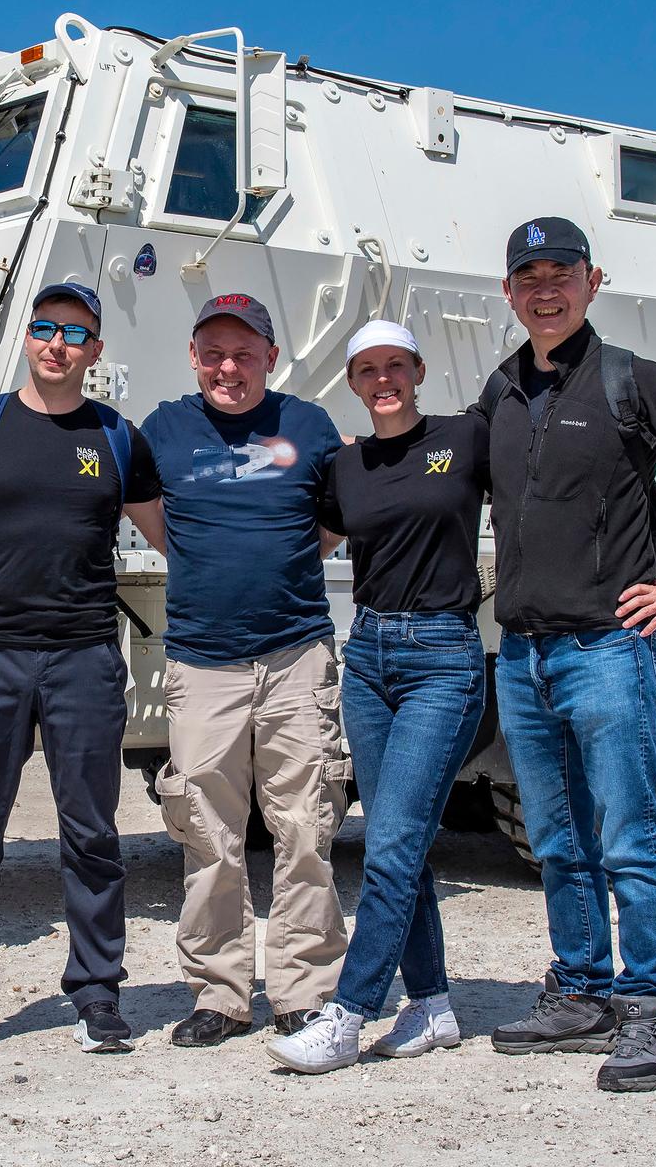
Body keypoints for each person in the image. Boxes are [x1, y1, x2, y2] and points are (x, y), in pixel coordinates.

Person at [475, 218, 656, 1092]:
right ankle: (583, 991)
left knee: (630, 838)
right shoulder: (502, 390)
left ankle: (652, 1009)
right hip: (522, 657)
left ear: (593, 282)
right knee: (557, 839)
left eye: (561, 274)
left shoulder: (634, 380)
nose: (545, 289)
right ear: (510, 292)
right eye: (529, 277)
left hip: (607, 649)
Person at [0, 282, 162, 1058]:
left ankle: (97, 995)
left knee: (91, 834)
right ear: (28, 339)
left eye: (74, 333)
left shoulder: (116, 437)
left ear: (95, 351)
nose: (56, 343)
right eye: (44, 328)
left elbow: (176, 536)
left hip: (83, 659)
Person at [124, 293, 349, 1048]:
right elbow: (156, 523)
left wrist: (271, 565)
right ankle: (218, 994)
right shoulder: (164, 431)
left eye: (244, 352)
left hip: (295, 656)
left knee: (306, 827)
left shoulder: (308, 426)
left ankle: (304, 989)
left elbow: (327, 524)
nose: (229, 367)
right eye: (214, 352)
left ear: (270, 358)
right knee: (207, 834)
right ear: (193, 357)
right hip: (201, 662)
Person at [265, 320, 489, 1074]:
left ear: (418, 371)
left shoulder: (464, 438)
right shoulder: (346, 466)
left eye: (396, 365)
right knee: (404, 837)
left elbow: (541, 491)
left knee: (390, 844)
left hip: (442, 658)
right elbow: (306, 543)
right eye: (368, 369)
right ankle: (430, 1004)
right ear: (355, 383)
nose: (383, 379)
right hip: (368, 658)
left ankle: (349, 1013)